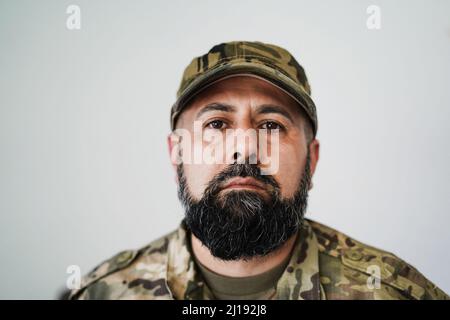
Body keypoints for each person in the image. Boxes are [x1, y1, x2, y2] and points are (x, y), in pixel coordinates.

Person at [69, 41, 448, 300]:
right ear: (177, 153)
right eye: (217, 124)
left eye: (271, 125)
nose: (246, 148)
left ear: (311, 160)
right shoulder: (105, 291)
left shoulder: (391, 290)